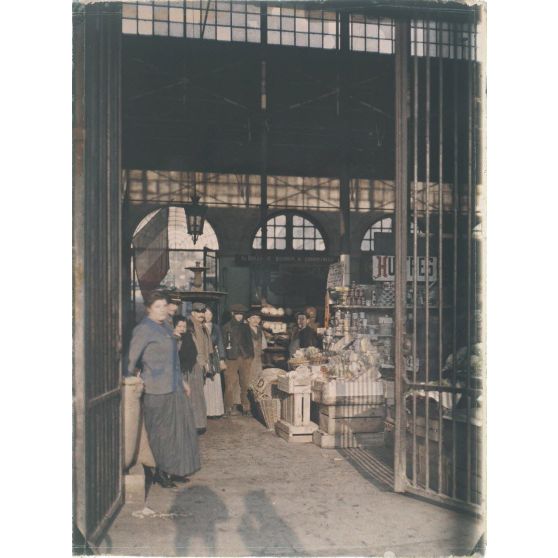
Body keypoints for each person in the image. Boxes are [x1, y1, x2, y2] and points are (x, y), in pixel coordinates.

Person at [127, 291, 200, 488]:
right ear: (148, 308)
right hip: (155, 389)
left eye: (164, 306)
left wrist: (182, 382)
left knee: (177, 431)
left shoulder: (166, 327)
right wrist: (129, 382)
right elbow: (131, 359)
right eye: (157, 306)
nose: (162, 310)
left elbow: (174, 359)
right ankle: (159, 471)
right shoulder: (143, 329)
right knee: (160, 433)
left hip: (174, 386)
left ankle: (172, 468)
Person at [179, 302, 212, 432]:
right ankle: (195, 425)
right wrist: (202, 363)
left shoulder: (203, 327)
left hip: (201, 363)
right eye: (198, 312)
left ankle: (197, 423)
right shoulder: (190, 326)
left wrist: (207, 362)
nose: (201, 314)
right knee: (194, 396)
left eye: (203, 311)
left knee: (197, 395)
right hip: (193, 364)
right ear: (192, 313)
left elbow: (207, 346)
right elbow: (194, 347)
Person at [222, 304, 254, 416]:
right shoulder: (226, 327)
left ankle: (246, 407)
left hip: (245, 358)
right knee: (229, 384)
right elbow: (222, 344)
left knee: (245, 384)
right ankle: (228, 408)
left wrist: (250, 357)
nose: (240, 316)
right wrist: (223, 359)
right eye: (237, 314)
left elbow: (250, 343)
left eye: (241, 314)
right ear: (232, 314)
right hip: (230, 358)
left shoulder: (246, 327)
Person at [203, 307, 226, 418]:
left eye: (210, 315)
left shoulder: (216, 328)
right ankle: (206, 411)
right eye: (206, 314)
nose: (208, 316)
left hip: (214, 357)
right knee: (205, 385)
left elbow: (220, 342)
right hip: (203, 357)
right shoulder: (199, 327)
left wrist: (221, 359)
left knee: (215, 383)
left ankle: (215, 411)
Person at [246, 309, 267, 382]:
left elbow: (263, 346)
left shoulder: (260, 330)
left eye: (258, 318)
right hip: (247, 361)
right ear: (248, 319)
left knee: (258, 382)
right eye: (253, 318)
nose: (256, 320)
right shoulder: (244, 330)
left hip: (258, 360)